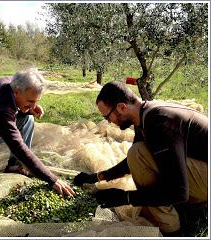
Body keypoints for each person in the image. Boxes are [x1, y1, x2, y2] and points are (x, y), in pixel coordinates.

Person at [73, 81, 207, 236]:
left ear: (122, 107)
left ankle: (173, 229)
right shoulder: (144, 114)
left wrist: (126, 197)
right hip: (202, 171)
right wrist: (97, 177)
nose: (109, 122)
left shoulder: (160, 122)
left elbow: (179, 191)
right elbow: (131, 163)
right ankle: (187, 208)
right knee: (138, 154)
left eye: (108, 117)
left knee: (138, 153)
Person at [0, 68, 75, 197]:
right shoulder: (1, 108)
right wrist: (52, 179)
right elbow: (19, 148)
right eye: (30, 101)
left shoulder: (10, 83)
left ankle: (14, 166)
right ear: (16, 92)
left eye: (36, 101)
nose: (34, 106)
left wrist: (28, 107)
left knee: (27, 118)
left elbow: (20, 107)